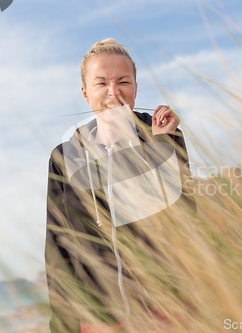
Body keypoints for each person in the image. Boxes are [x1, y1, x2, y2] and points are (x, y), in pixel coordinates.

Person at [45, 39, 196, 332]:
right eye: (101, 83)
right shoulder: (64, 157)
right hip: (99, 320)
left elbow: (185, 219)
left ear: (136, 88)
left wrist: (164, 145)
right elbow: (57, 247)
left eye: (123, 81)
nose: (113, 92)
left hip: (167, 312)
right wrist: (62, 325)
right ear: (86, 93)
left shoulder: (160, 137)